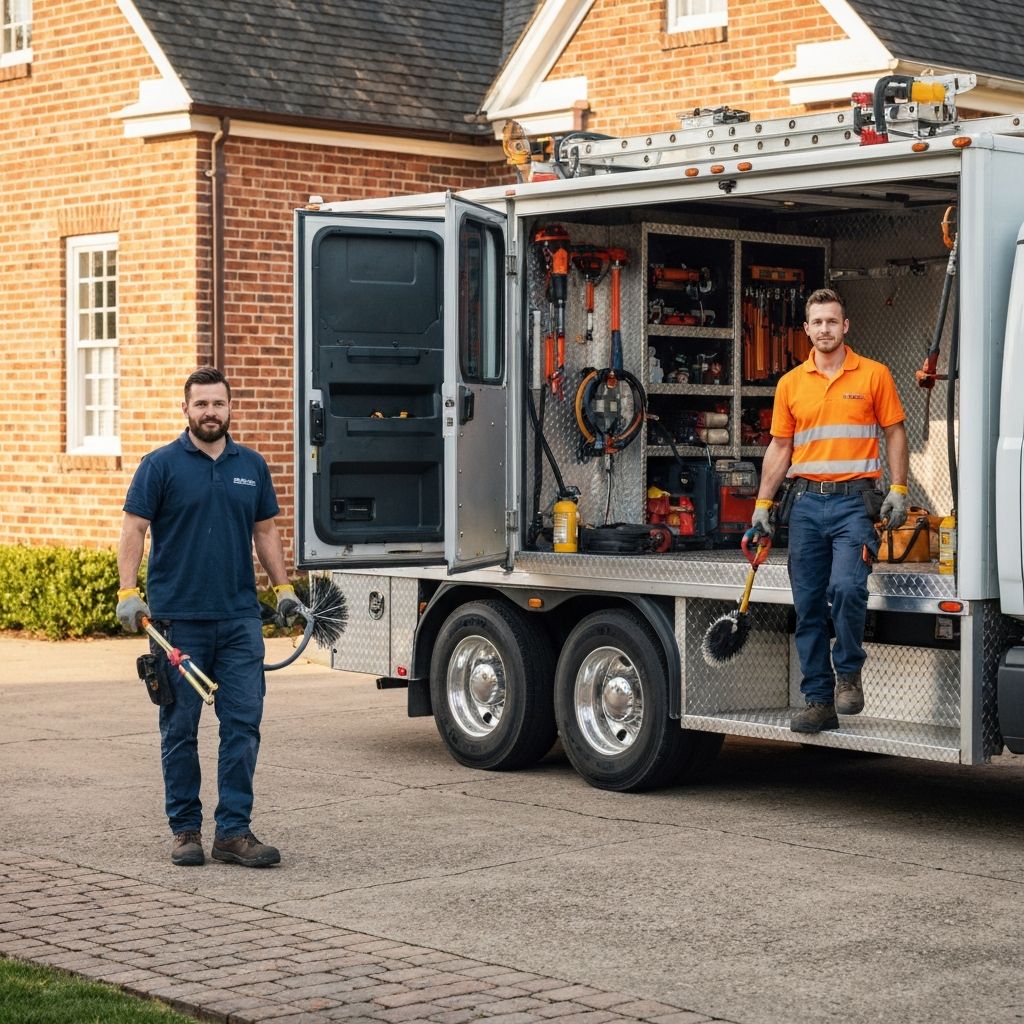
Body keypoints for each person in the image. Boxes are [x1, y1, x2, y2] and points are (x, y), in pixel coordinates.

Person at [116, 366, 300, 867]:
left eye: (218, 404)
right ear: (186, 409)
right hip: (178, 623)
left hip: (240, 619)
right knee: (180, 728)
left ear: (230, 408)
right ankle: (185, 831)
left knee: (243, 724)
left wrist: (282, 588)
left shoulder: (252, 465)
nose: (210, 413)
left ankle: (233, 833)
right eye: (201, 404)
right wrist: (128, 591)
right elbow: (134, 527)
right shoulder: (160, 465)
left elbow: (264, 532)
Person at [750, 289, 909, 734]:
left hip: (854, 504)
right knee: (808, 606)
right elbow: (781, 446)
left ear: (845, 326)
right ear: (806, 329)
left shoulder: (874, 375)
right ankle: (819, 700)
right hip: (803, 504)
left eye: (832, 322)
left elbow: (895, 433)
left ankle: (849, 673)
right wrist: (764, 503)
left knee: (848, 589)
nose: (825, 329)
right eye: (817, 322)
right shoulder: (790, 384)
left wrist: (898, 488)